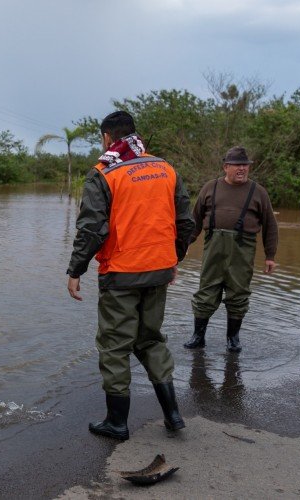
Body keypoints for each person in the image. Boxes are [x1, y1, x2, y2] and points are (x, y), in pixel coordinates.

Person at [66, 111, 194, 441]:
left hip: (122, 273)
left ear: (108, 138)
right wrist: (173, 258)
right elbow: (185, 223)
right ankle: (173, 415)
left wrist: (75, 269)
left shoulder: (104, 172)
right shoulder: (165, 168)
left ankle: (117, 422)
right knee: (150, 338)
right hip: (158, 270)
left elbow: (92, 229)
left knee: (114, 345)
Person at [183, 146, 278, 353]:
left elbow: (270, 225)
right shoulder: (210, 187)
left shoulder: (258, 192)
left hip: (242, 252)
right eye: (237, 165)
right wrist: (184, 245)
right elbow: (195, 220)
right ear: (226, 167)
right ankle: (198, 337)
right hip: (213, 250)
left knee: (239, 295)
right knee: (205, 292)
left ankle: (232, 339)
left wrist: (270, 256)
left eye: (245, 165)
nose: (242, 169)